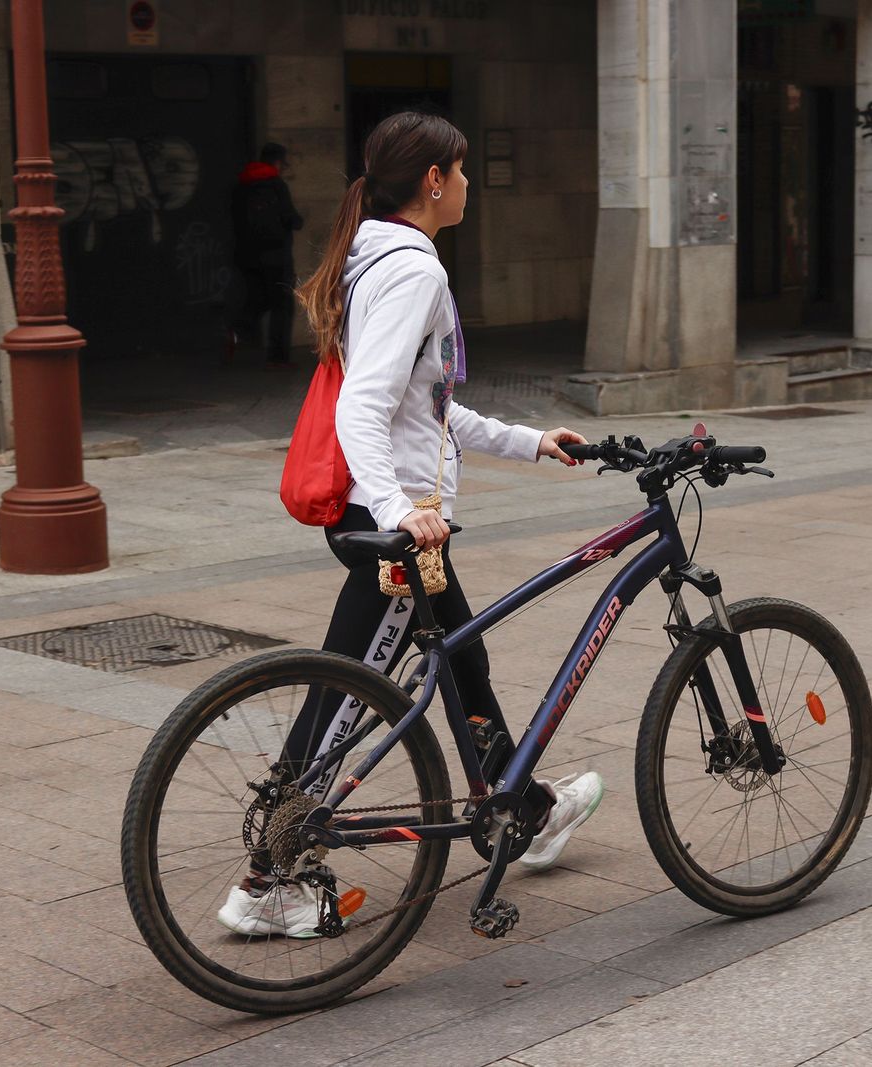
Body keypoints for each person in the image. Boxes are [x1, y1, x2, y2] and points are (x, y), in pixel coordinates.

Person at [219, 111, 604, 938]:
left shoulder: (382, 260)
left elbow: (424, 409)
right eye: (461, 173)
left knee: (463, 659)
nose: (467, 185)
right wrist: (400, 511)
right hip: (394, 527)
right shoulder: (412, 271)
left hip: (400, 517)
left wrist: (530, 441)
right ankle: (266, 881)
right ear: (435, 181)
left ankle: (521, 804)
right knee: (345, 698)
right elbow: (365, 407)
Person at [232, 142, 304, 367]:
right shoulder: (276, 185)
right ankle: (278, 357)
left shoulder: (242, 185)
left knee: (257, 299)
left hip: (247, 256)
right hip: (277, 257)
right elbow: (290, 217)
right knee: (282, 305)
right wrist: (297, 221)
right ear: (278, 162)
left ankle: (235, 331)